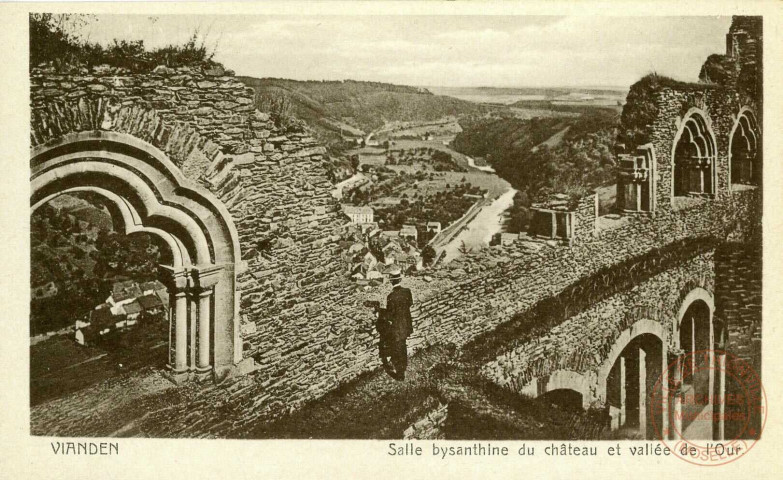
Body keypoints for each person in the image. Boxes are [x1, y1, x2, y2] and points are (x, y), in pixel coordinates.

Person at [385, 266, 413, 381]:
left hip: (397, 327)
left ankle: (400, 373)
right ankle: (404, 367)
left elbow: (390, 315)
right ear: (400, 280)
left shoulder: (391, 297)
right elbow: (410, 304)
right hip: (406, 324)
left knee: (398, 348)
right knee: (403, 346)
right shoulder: (407, 292)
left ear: (391, 281)